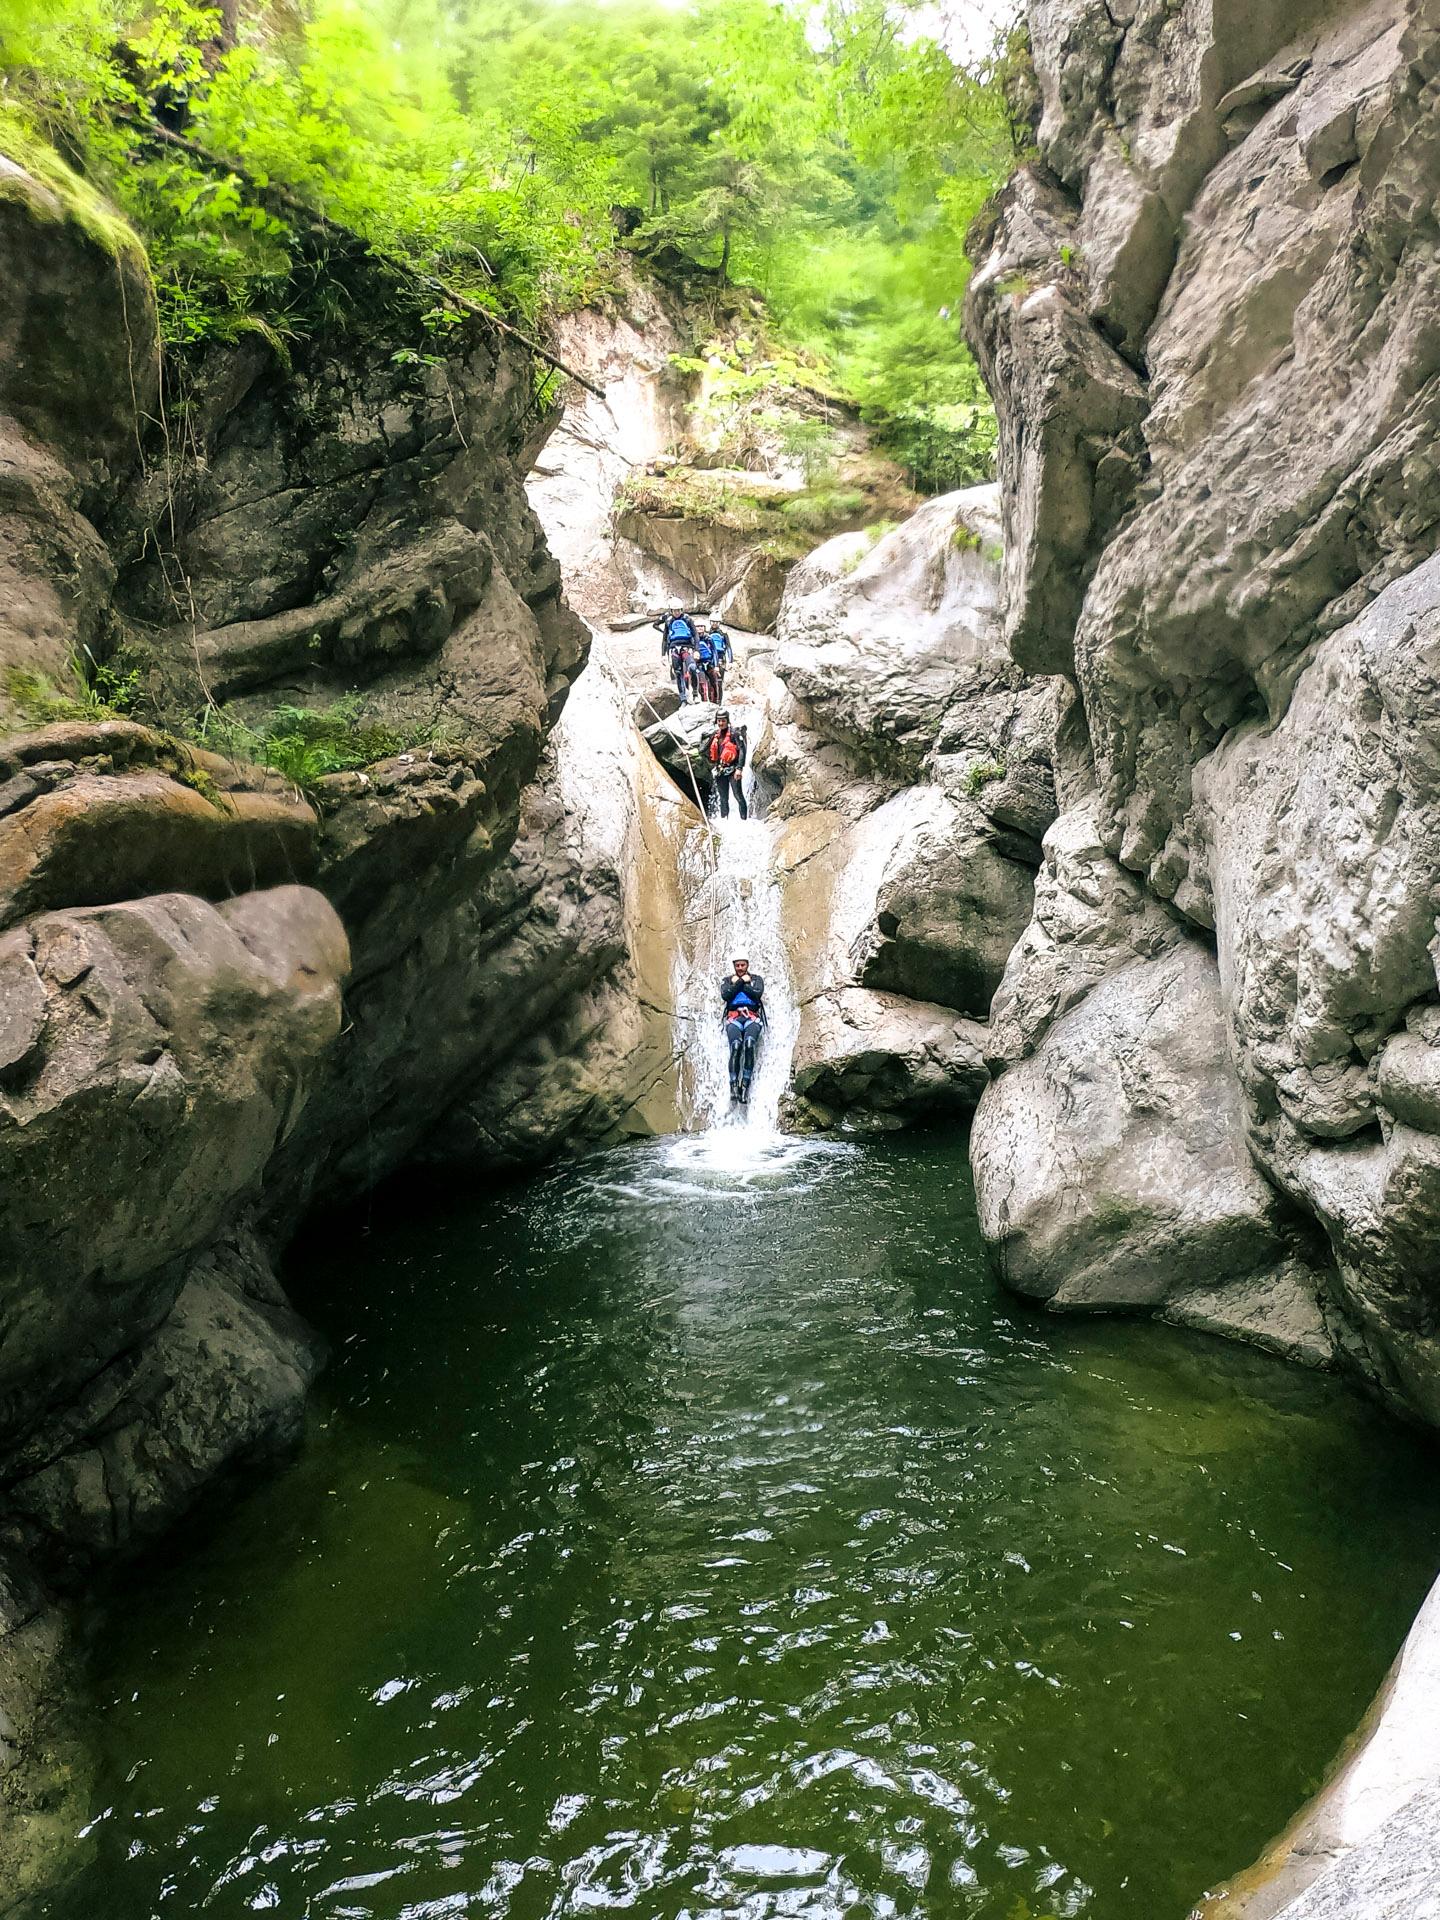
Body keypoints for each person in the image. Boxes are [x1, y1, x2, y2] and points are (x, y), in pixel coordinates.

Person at [720, 957, 766, 1103]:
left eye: (743, 965)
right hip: (734, 1018)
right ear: (734, 966)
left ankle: (745, 1086)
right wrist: (741, 982)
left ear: (747, 965)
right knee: (735, 1046)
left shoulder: (756, 979)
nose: (740, 968)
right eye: (737, 965)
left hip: (751, 1018)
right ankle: (733, 1086)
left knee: (749, 1044)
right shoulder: (727, 981)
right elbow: (726, 995)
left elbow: (757, 994)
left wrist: (741, 983)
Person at [706, 710, 748, 820]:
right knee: (723, 798)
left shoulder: (735, 734)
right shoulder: (715, 735)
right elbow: (703, 749)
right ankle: (724, 820)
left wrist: (739, 768)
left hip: (734, 769)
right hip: (720, 770)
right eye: (719, 721)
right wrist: (689, 752)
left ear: (727, 720)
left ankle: (744, 820)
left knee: (738, 796)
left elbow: (742, 750)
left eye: (723, 721)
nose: (721, 723)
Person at [708, 623, 734, 703]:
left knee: (719, 681)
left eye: (716, 622)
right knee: (709, 681)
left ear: (719, 623)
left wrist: (730, 661)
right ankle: (711, 701)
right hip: (710, 658)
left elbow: (728, 647)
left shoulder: (723, 634)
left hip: (721, 658)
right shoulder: (707, 634)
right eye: (713, 621)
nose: (714, 623)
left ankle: (719, 702)